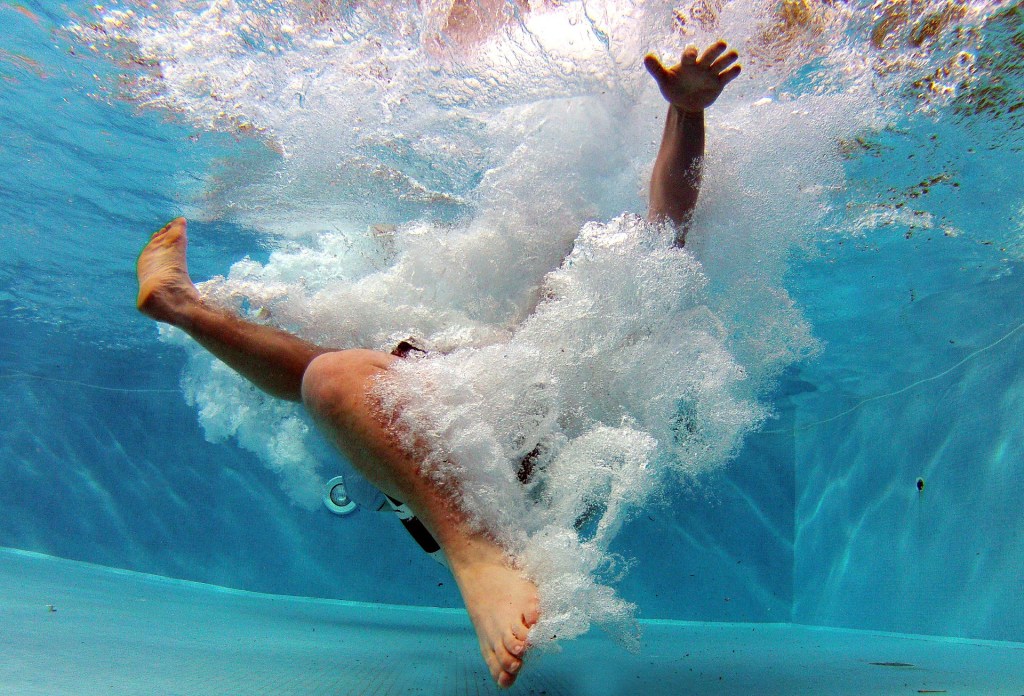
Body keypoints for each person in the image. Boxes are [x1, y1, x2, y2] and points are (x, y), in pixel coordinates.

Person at [135, 41, 740, 689]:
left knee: (328, 376)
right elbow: (661, 227)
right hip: (448, 462)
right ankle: (180, 306)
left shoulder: (608, 338)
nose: (563, 282)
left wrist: (686, 114)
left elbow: (668, 221)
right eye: (564, 272)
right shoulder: (501, 357)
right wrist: (684, 112)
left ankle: (182, 307)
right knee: (329, 374)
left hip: (489, 484)